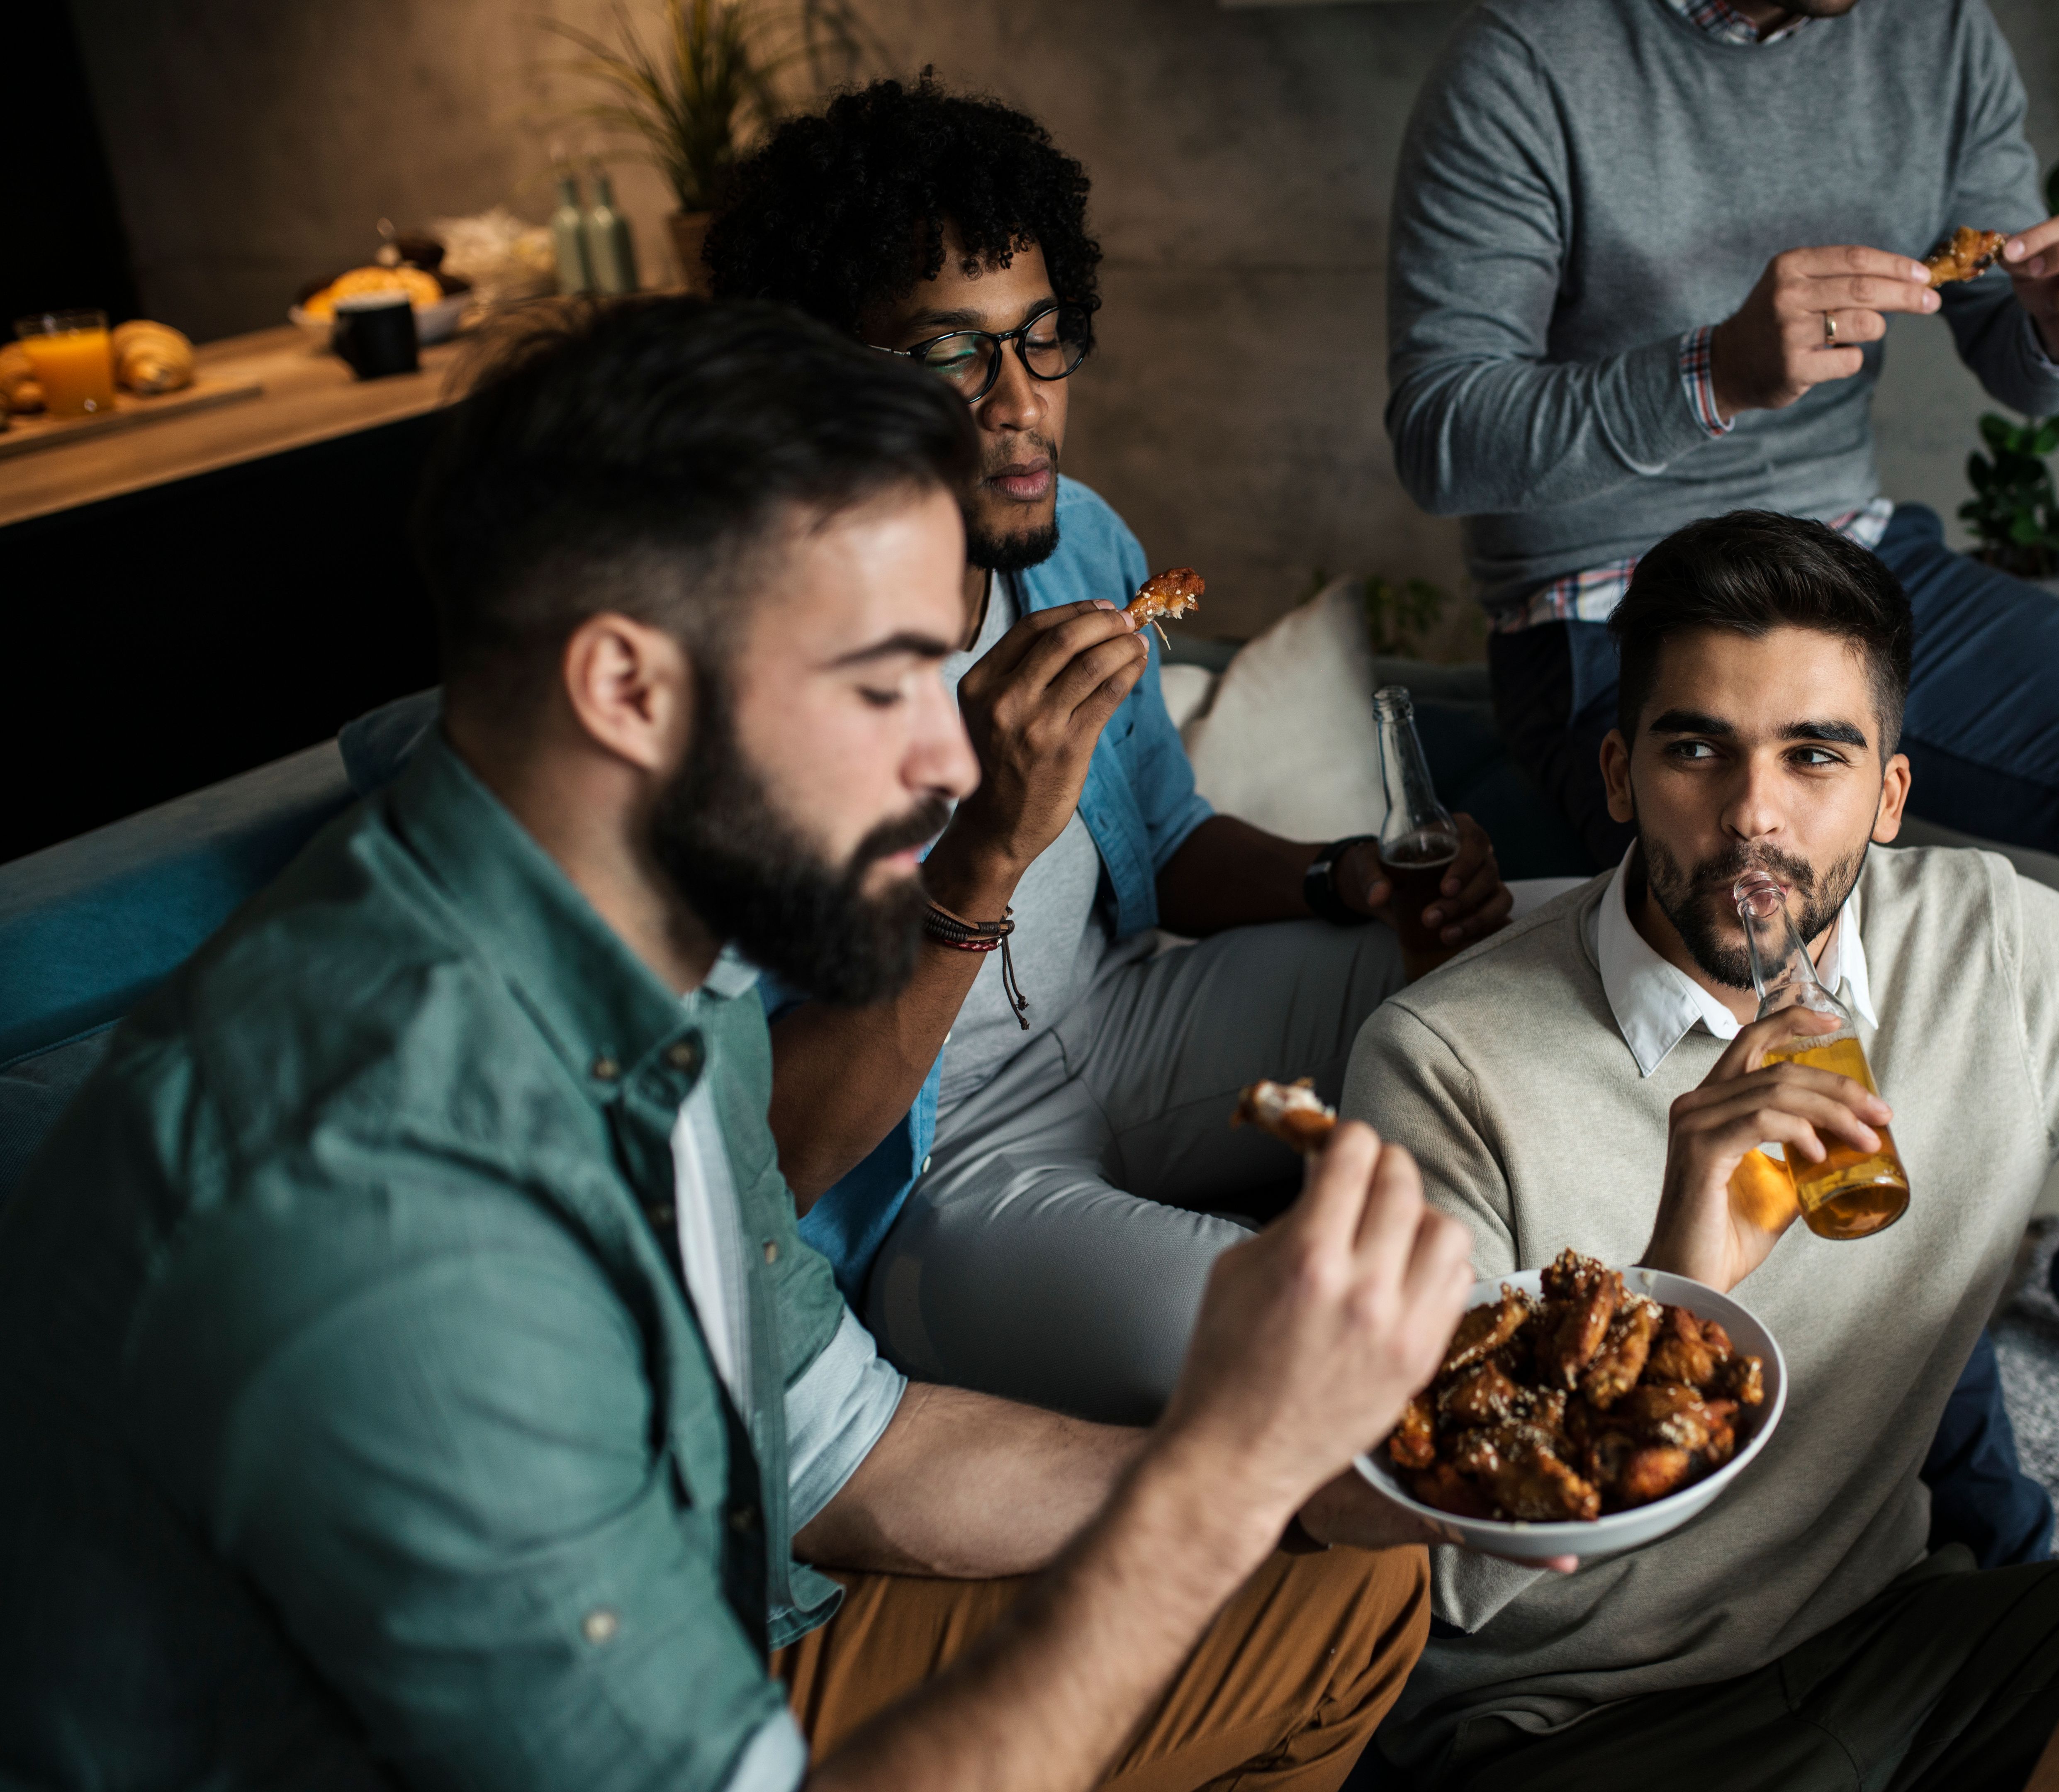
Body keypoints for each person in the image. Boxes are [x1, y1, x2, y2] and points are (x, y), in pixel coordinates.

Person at [0, 298, 1486, 1792]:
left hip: (737, 1623)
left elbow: (852, 1450)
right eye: (880, 681)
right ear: (627, 687)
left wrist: (1290, 1478)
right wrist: (1213, 1491)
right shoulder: (382, 1210)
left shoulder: (659, 974)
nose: (949, 761)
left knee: (1342, 1564)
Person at [1339, 511, 2059, 1790]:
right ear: (1620, 777)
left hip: (1900, 1637)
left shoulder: (1984, 939)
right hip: (1580, 1718)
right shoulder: (1440, 1061)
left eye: (1815, 756)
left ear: (1890, 794)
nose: (1755, 814)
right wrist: (1675, 1285)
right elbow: (1440, 1556)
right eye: (1698, 749)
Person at [1386, 0, 2059, 1385]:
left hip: (1844, 564)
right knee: (1764, 1033)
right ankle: (1934, 1475)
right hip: (1605, 606)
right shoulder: (1528, 60)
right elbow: (1438, 435)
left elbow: (2014, 354)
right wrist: (1709, 374)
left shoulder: (1934, 35)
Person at [704, 75, 1514, 1424]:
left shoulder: (1076, 540)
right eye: (950, 354)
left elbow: (1175, 842)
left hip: (1135, 1021)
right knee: (1322, 1357)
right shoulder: (745, 683)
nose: (1018, 402)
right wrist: (986, 845)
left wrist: (1349, 880)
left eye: (1039, 338)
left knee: (1565, 965)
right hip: (939, 1177)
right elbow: (771, 1166)